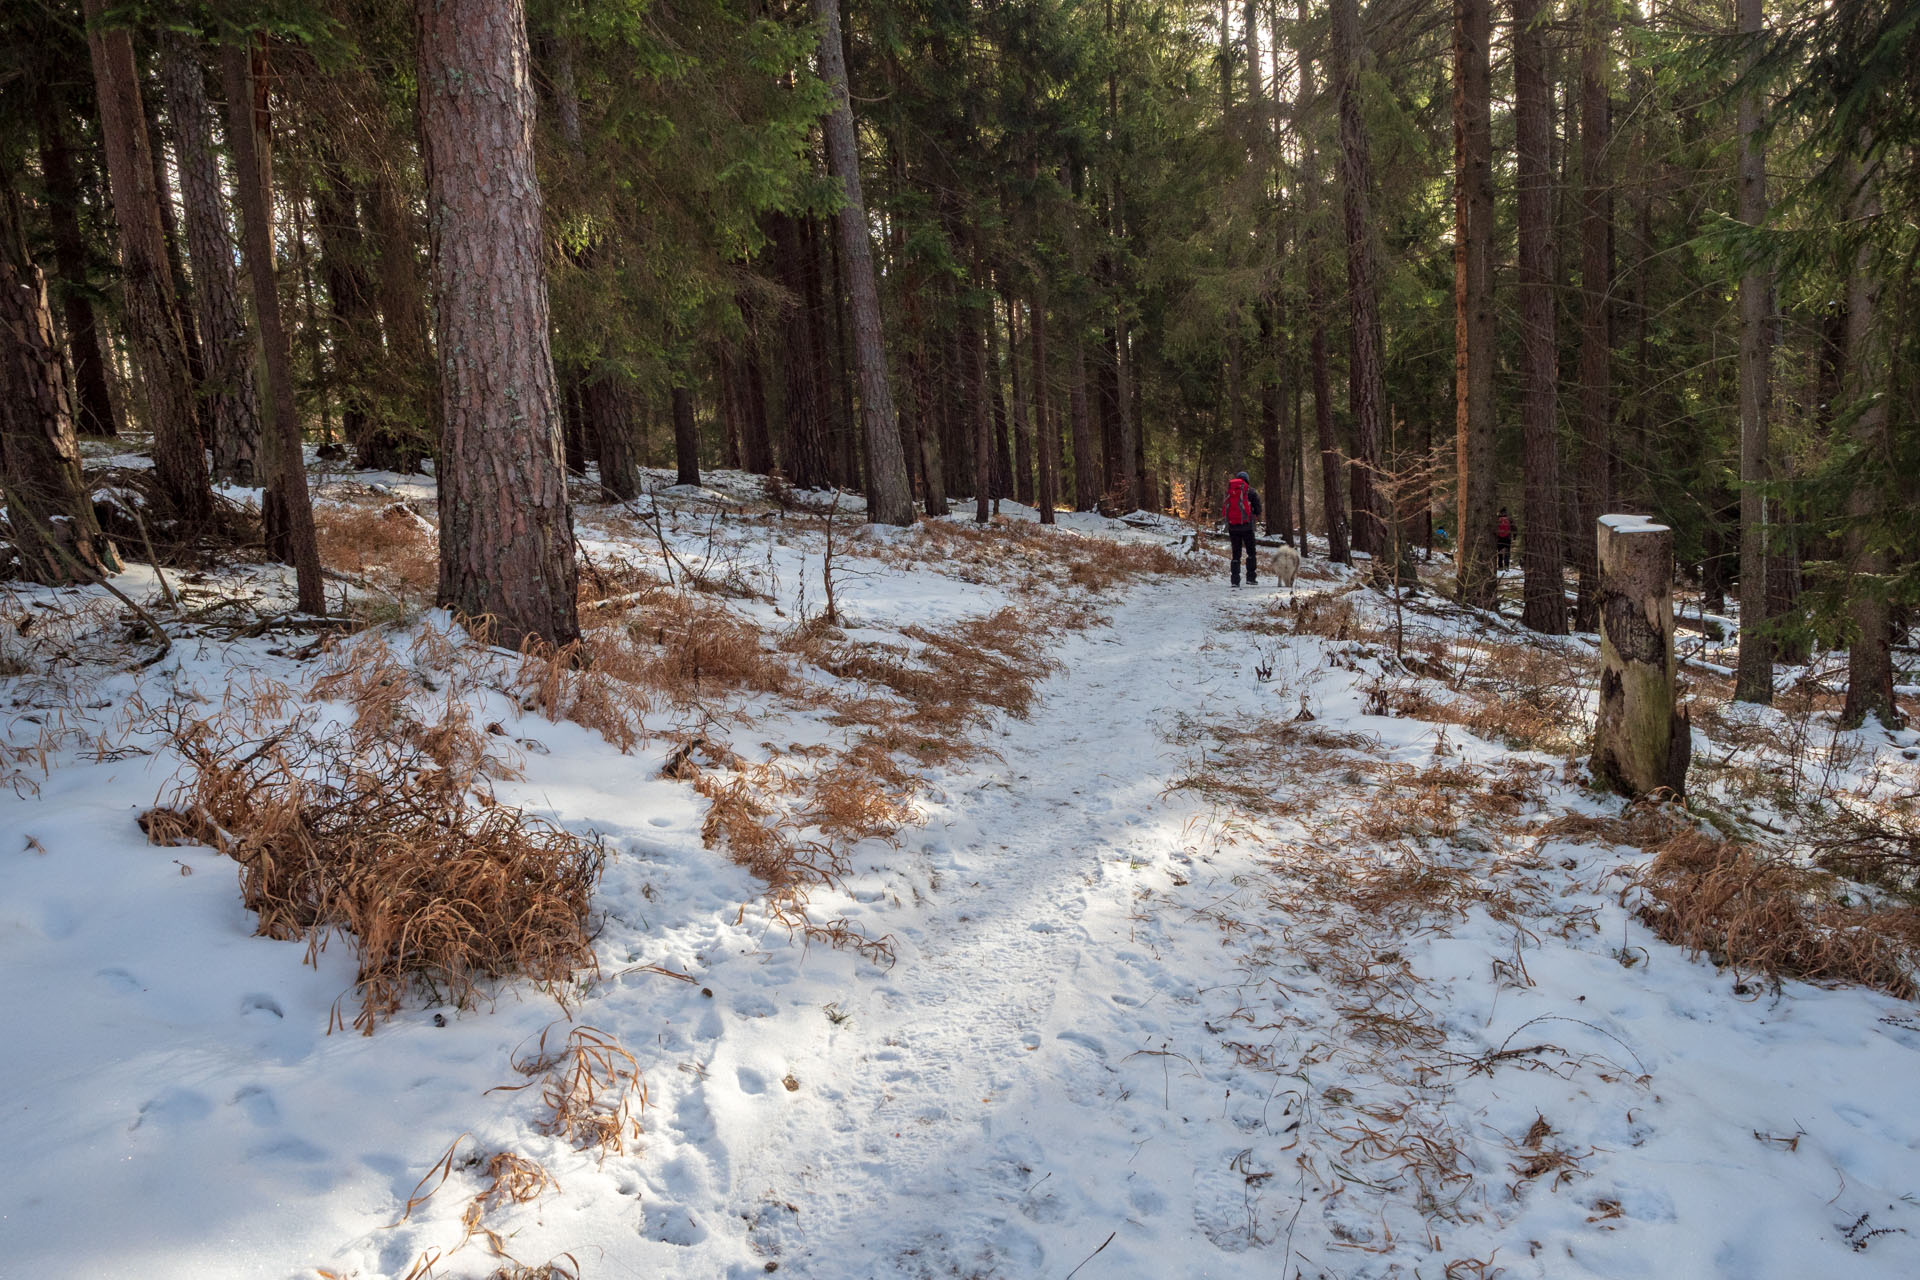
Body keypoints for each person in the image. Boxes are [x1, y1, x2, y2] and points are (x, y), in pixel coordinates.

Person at [1223, 471, 1263, 587]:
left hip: (1233, 527)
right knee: (1251, 552)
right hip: (1247, 527)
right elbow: (1258, 509)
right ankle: (1251, 578)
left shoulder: (1230, 491)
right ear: (1247, 480)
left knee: (1236, 553)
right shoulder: (1251, 492)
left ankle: (1235, 580)